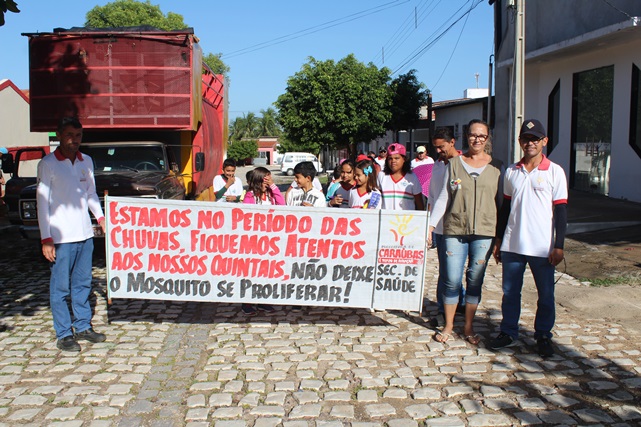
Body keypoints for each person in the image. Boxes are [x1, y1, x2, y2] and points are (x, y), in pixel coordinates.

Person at [489, 119, 568, 358]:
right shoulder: (512, 172)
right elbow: (505, 209)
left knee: (545, 294)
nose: (530, 143)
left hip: (542, 246)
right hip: (514, 243)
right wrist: (499, 239)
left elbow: (561, 211)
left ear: (544, 141)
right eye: (525, 139)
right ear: (520, 142)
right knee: (510, 292)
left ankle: (543, 335)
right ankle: (509, 332)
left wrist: (559, 245)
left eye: (535, 139)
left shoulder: (555, 171)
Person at [429, 119, 503, 345]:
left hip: (484, 232)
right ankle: (449, 325)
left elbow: (502, 204)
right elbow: (444, 197)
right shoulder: (454, 164)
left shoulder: (498, 166)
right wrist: (430, 226)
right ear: (466, 137)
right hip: (455, 230)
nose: (477, 139)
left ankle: (469, 327)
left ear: (487, 138)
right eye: (473, 135)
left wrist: (500, 237)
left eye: (482, 136)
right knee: (451, 279)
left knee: (474, 280)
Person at [36, 117, 107, 352]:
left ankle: (83, 325)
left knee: (83, 283)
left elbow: (90, 194)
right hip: (60, 238)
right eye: (69, 135)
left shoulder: (86, 161)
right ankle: (64, 333)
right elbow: (41, 202)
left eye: (78, 136)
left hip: (84, 235)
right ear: (58, 135)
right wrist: (46, 238)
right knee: (60, 288)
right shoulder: (48, 164)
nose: (73, 140)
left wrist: (101, 218)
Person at [426, 128, 464, 327]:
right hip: (439, 227)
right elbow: (434, 195)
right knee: (445, 271)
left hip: (456, 226)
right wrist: (430, 223)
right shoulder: (438, 165)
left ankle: (460, 303)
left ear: (452, 142)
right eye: (436, 147)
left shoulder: (461, 163)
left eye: (441, 146)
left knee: (453, 272)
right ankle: (444, 309)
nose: (439, 151)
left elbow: (447, 195)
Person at [241, 166, 283, 315]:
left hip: (270, 240)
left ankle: (264, 300)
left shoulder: (271, 195)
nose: (268, 182)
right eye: (266, 179)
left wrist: (273, 187)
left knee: (267, 272)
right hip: (254, 241)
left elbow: (282, 206)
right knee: (251, 272)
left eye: (270, 179)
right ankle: (247, 301)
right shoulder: (250, 196)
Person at [377, 143, 425, 211]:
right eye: (390, 158)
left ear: (404, 159)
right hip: (385, 219)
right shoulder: (381, 175)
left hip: (406, 220)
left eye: (397, 158)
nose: (393, 161)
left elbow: (420, 205)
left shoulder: (412, 178)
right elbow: (377, 200)